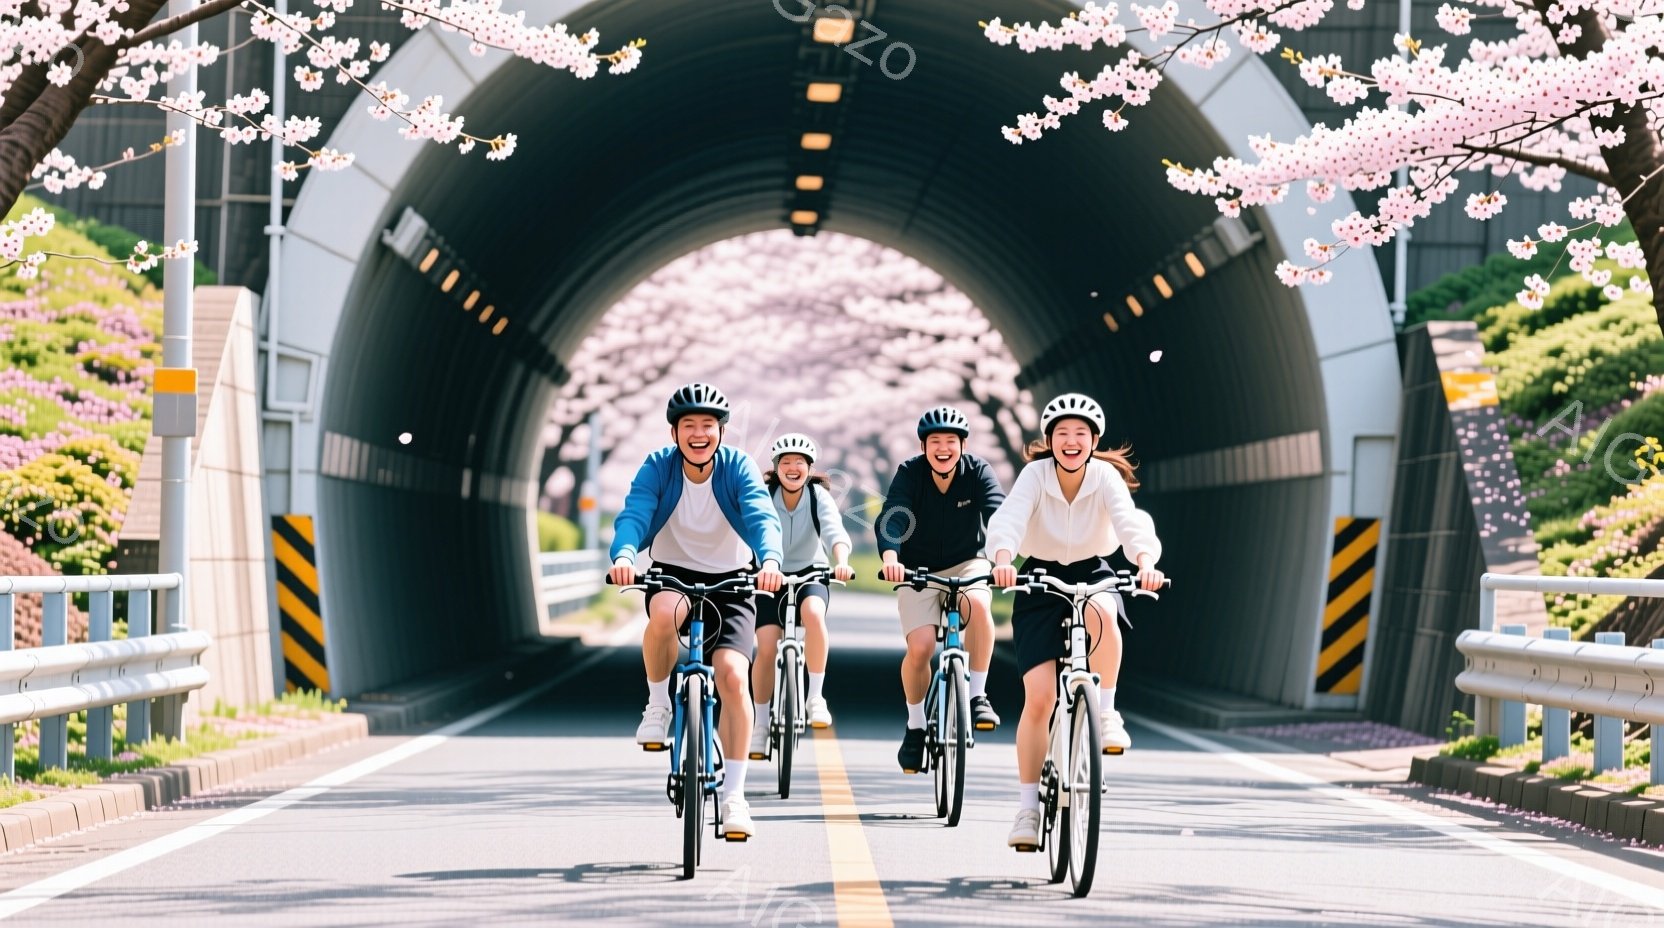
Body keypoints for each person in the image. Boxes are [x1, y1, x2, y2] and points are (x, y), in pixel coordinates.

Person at [985, 393, 1164, 850]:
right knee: (1040, 699)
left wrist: (1144, 560)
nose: (1070, 441)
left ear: (1093, 441)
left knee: (1103, 609)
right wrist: (1003, 558)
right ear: (1049, 440)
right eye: (1061, 433)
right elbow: (1008, 520)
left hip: (1093, 569)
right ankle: (1027, 808)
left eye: (1080, 434)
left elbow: (1130, 522)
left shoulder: (1104, 476)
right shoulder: (1035, 475)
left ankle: (1105, 713)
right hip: (1039, 577)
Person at [608, 383, 785, 839]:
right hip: (673, 575)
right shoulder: (658, 467)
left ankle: (735, 798)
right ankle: (658, 705)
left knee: (730, 674)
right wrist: (625, 555)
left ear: (721, 432)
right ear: (674, 432)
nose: (699, 434)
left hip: (734, 581)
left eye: (708, 425)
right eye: (690, 426)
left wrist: (770, 561)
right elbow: (635, 513)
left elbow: (761, 516)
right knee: (663, 615)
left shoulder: (738, 467)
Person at [876, 405, 1007, 774]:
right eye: (936, 441)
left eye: (952, 441)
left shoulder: (979, 471)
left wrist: (1002, 558)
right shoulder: (910, 472)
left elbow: (998, 514)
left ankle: (978, 694)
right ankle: (916, 726)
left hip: (968, 561)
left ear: (963, 445)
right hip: (915, 569)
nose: (944, 448)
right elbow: (894, 515)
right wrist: (890, 556)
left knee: (979, 607)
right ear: (923, 446)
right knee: (919, 648)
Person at [750, 433, 856, 758]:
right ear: (776, 468)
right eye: (786, 462)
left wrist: (841, 563)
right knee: (766, 646)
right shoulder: (765, 495)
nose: (793, 467)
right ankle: (761, 723)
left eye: (800, 462)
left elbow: (835, 531)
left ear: (809, 468)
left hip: (812, 572)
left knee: (813, 613)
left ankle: (815, 697)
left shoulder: (818, 497)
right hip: (770, 577)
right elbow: (749, 530)